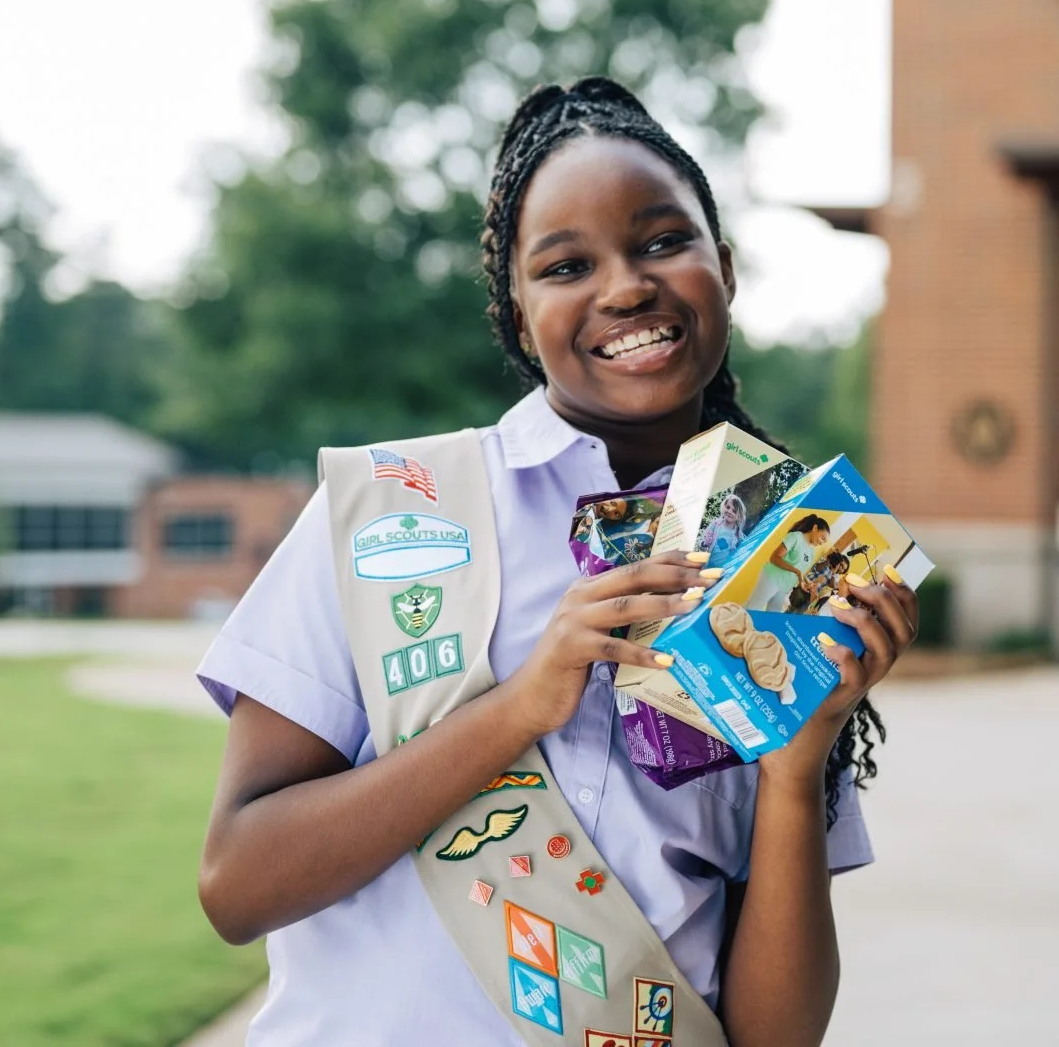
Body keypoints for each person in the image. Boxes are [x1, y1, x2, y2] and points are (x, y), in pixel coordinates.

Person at [194, 76, 918, 1044]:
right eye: (566, 264)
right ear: (517, 312)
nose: (626, 286)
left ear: (727, 269)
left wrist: (796, 765)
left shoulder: (790, 563)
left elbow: (774, 1035)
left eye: (665, 240)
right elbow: (239, 885)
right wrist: (526, 701)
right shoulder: (387, 513)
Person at [747, 514, 832, 614]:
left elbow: (800, 570)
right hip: (772, 578)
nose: (822, 542)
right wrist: (796, 572)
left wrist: (807, 582)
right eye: (822, 538)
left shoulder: (811, 552)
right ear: (815, 528)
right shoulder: (795, 537)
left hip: (784, 588)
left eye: (824, 541)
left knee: (772, 617)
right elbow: (774, 558)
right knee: (752, 608)